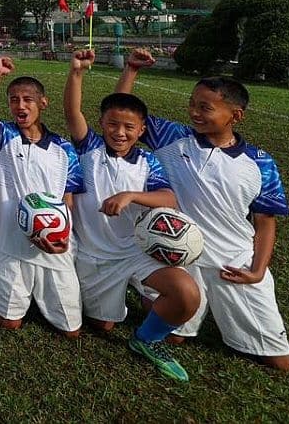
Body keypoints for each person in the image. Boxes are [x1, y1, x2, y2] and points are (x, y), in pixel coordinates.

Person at [116, 48, 289, 371]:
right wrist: (131, 71)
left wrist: (256, 270)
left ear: (235, 116)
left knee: (278, 362)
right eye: (193, 105)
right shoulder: (174, 137)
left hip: (233, 263)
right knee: (175, 337)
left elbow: (265, 222)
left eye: (205, 108)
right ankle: (150, 291)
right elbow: (123, 112)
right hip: (182, 258)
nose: (194, 113)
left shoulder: (260, 163)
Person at [64, 49, 200, 381]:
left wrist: (131, 195)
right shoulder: (90, 150)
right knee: (102, 325)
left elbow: (169, 198)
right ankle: (132, 298)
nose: (119, 133)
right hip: (94, 256)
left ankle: (146, 340)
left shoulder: (148, 163)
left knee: (186, 294)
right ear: (101, 125)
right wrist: (77, 73)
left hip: (134, 252)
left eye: (129, 127)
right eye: (112, 124)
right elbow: (71, 112)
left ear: (141, 131)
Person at [0, 57, 83, 336]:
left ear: (43, 103)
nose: (20, 106)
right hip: (9, 243)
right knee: (9, 323)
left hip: (51, 245)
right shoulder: (6, 135)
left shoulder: (63, 149)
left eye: (28, 100)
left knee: (71, 330)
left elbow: (68, 199)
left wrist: (61, 237)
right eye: (14, 100)